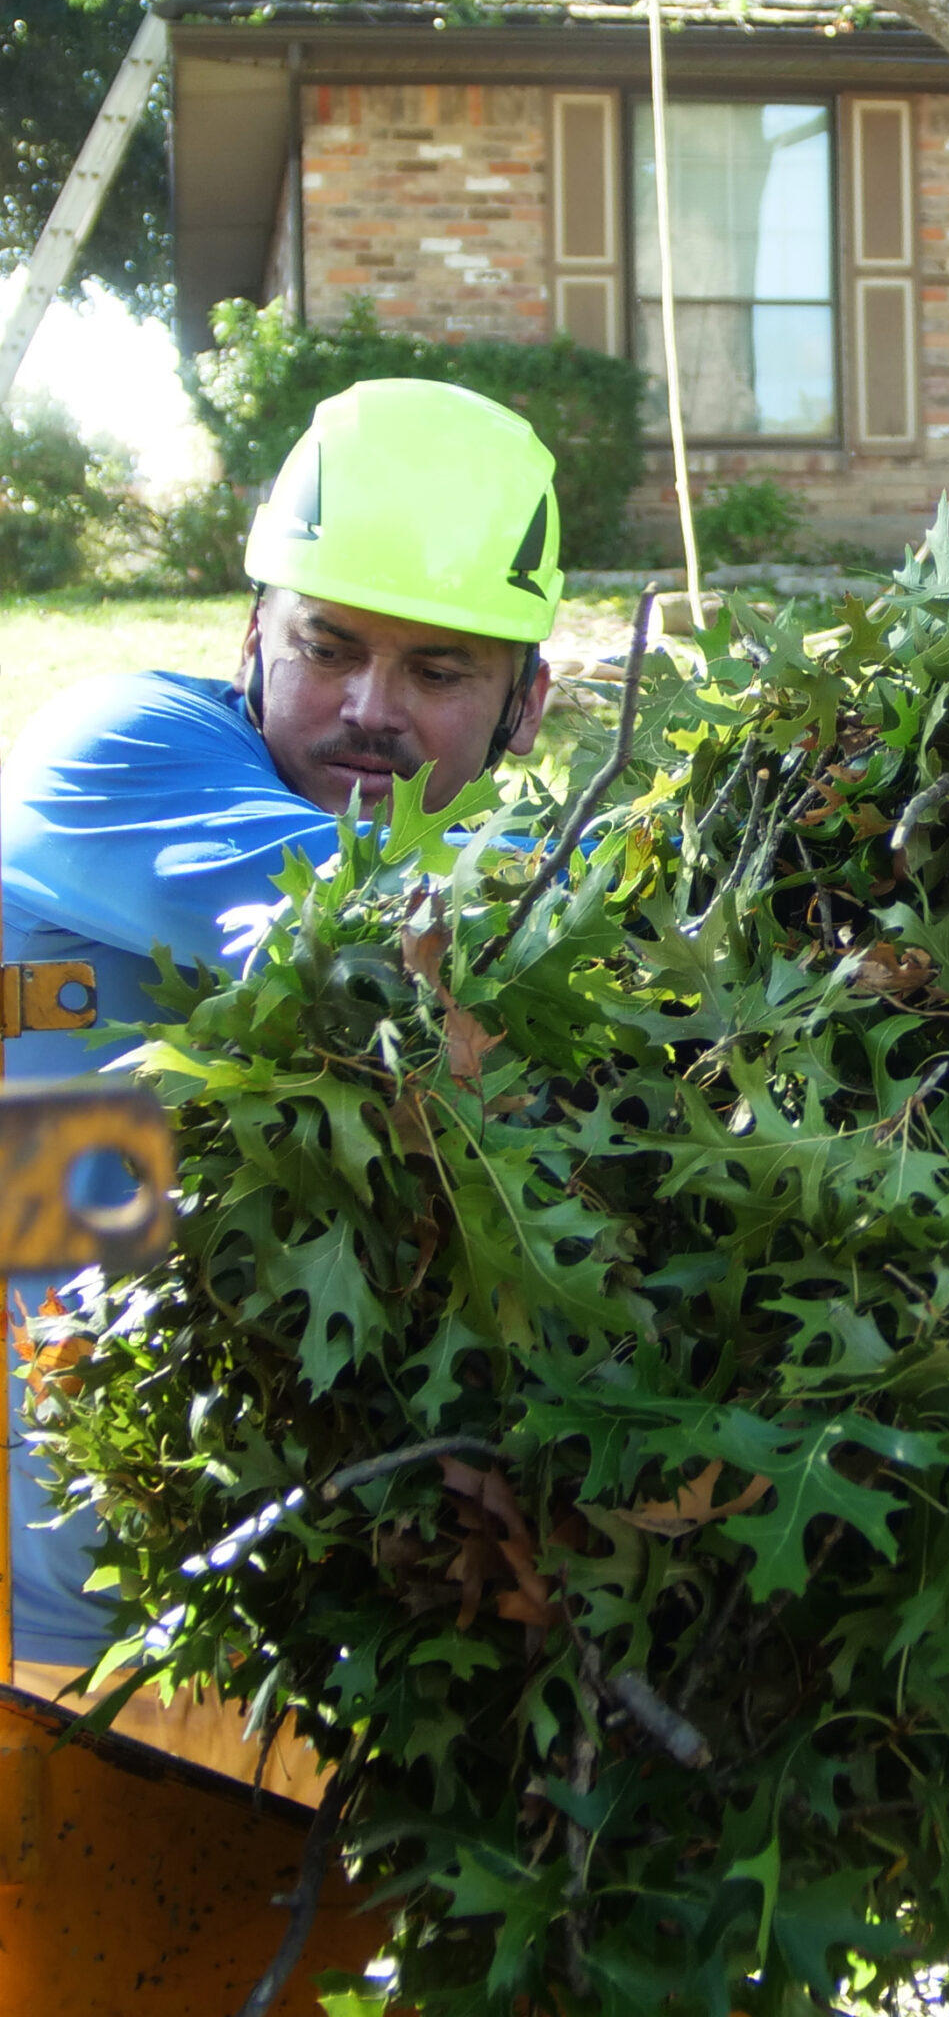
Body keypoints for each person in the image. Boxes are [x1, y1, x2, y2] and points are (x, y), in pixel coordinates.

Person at [1, 377, 562, 1672]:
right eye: (327, 647)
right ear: (253, 635)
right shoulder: (109, 759)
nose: (371, 705)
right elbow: (377, 925)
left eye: (437, 669)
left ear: (525, 708)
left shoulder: (498, 864)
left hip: (293, 1635)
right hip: (46, 1632)